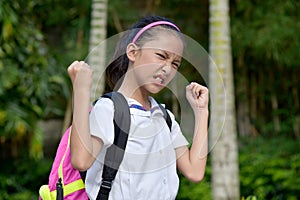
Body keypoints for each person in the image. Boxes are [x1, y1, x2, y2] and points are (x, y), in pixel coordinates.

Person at [67, 15, 209, 200]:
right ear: (133, 52)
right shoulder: (110, 109)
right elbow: (81, 160)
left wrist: (201, 111)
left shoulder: (164, 117)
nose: (167, 69)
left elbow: (195, 172)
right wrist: (81, 90)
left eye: (175, 64)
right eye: (161, 56)